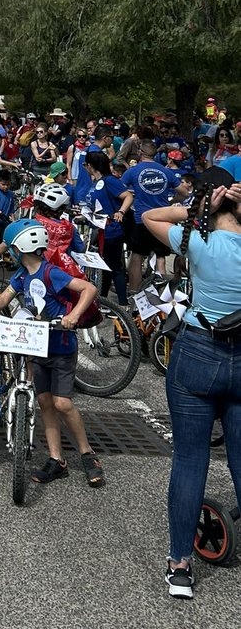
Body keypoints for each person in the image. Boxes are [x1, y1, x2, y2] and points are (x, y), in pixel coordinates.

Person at [142, 173, 241, 599]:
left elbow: (149, 215)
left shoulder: (195, 242)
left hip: (199, 353)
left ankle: (180, 565)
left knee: (189, 460)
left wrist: (201, 204)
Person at [0, 219, 104, 488]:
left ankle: (87, 453)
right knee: (45, 402)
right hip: (35, 347)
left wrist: (73, 315)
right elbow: (5, 298)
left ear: (20, 247)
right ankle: (56, 459)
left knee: (62, 403)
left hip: (61, 347)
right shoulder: (21, 276)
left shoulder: (51, 273)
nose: (10, 253)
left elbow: (89, 289)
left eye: (12, 248)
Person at [119, 140, 183, 290]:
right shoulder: (166, 171)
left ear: (141, 153)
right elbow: (184, 192)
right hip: (162, 219)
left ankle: (134, 294)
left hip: (141, 219)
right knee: (160, 258)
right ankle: (162, 294)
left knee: (136, 257)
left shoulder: (133, 171)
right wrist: (172, 201)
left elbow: (119, 190)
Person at [84, 153, 128, 305]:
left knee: (115, 267)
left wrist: (120, 212)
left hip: (112, 229)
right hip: (100, 228)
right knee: (106, 266)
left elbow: (128, 196)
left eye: (85, 165)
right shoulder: (96, 182)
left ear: (90, 165)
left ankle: (123, 303)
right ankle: (103, 300)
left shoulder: (109, 181)